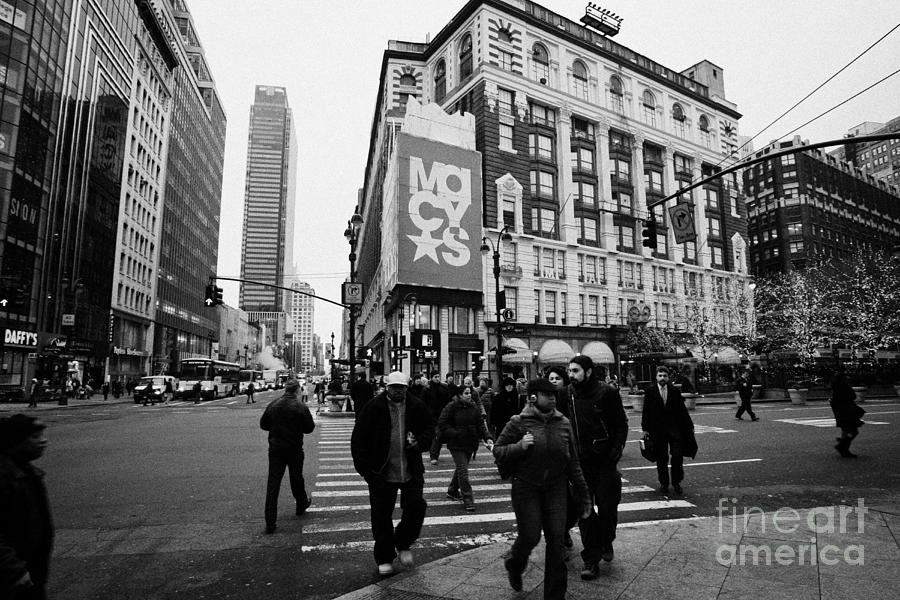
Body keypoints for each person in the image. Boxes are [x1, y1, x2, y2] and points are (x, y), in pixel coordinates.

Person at [493, 379, 591, 600]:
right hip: (526, 487)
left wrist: (583, 494)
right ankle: (515, 564)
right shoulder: (518, 422)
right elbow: (498, 450)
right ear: (533, 397)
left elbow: (573, 462)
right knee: (530, 536)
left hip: (556, 488)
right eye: (548, 394)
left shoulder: (563, 423)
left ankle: (555, 596)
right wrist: (519, 447)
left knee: (557, 543)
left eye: (554, 394)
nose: (553, 397)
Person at [351, 371, 434, 576]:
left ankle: (403, 542)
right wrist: (366, 471)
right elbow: (358, 440)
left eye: (401, 387)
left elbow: (430, 429)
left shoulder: (416, 405)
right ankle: (384, 557)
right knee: (381, 517)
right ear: (387, 387)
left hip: (410, 469)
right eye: (394, 387)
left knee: (416, 507)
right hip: (381, 472)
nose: (398, 391)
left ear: (406, 388)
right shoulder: (373, 408)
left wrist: (420, 442)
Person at [564, 356, 628, 579]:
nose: (571, 375)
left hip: (604, 462)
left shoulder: (607, 393)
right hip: (580, 464)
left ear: (588, 372)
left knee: (608, 509)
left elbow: (621, 424)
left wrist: (614, 452)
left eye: (575, 371)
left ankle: (606, 541)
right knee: (586, 512)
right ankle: (591, 559)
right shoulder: (568, 393)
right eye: (569, 371)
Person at [0, 414, 53, 600]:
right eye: (35, 437)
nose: (44, 441)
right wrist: (13, 571)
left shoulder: (26, 470)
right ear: (16, 441)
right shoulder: (6, 475)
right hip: (13, 578)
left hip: (29, 571)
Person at [259, 379, 314, 534]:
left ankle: (270, 521)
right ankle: (301, 504)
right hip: (294, 448)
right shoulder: (300, 406)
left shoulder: (274, 404)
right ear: (297, 391)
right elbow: (309, 428)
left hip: (276, 448)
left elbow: (263, 424)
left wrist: (276, 429)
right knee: (296, 477)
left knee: (273, 483)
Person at [642, 365, 696, 496]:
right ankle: (664, 483)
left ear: (668, 377)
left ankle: (677, 482)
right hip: (657, 430)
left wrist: (690, 426)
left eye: (664, 376)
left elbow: (682, 411)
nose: (662, 378)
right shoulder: (650, 391)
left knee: (677, 456)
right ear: (656, 377)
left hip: (674, 429)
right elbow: (646, 411)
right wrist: (645, 429)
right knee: (662, 458)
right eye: (660, 376)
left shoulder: (674, 391)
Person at [438, 384, 493, 512]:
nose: (469, 395)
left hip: (470, 443)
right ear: (459, 394)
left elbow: (480, 424)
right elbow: (442, 423)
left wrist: (487, 437)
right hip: (456, 443)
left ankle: (452, 490)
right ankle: (468, 498)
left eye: (470, 393)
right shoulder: (451, 406)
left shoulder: (473, 407)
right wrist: (454, 433)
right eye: (466, 393)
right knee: (463, 470)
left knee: (461, 468)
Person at [830, 371, 865, 458]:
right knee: (852, 431)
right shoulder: (843, 387)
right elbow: (852, 396)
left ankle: (844, 446)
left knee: (847, 431)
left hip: (842, 413)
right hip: (847, 412)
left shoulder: (835, 388)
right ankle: (843, 446)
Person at [421, 371, 450, 465]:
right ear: (431, 377)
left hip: (441, 415)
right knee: (436, 436)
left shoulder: (443, 388)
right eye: (435, 376)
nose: (437, 378)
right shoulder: (427, 389)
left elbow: (447, 400)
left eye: (438, 376)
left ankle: (434, 454)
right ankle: (433, 454)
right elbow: (423, 403)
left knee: (438, 435)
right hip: (431, 416)